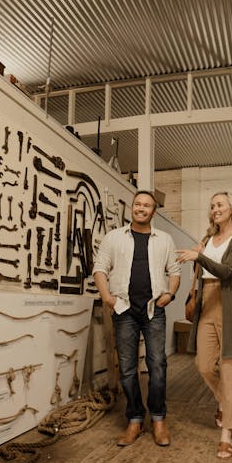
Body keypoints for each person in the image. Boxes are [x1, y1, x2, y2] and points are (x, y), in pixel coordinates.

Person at [93, 190, 181, 447]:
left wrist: (171, 294)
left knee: (157, 366)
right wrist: (107, 297)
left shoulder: (164, 239)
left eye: (147, 206)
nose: (141, 208)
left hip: (154, 309)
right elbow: (100, 268)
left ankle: (158, 419)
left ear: (154, 212)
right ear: (132, 207)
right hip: (124, 309)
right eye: (137, 204)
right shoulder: (113, 237)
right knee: (128, 369)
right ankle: (134, 419)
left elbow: (174, 271)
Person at [176, 191, 232, 459]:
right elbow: (201, 274)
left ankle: (226, 435)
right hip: (207, 301)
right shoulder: (207, 239)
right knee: (203, 364)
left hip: (230, 305)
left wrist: (199, 257)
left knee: (230, 370)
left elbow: (227, 271)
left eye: (219, 204)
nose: (215, 209)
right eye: (212, 206)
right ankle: (224, 401)